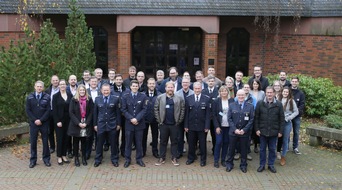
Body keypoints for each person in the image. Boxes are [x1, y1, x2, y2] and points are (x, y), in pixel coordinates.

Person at [255, 86, 285, 173]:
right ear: (265, 93)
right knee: (262, 149)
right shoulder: (260, 103)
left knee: (272, 149)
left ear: (274, 93)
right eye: (267, 92)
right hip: (262, 131)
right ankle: (262, 165)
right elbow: (256, 117)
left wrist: (280, 131)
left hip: (274, 131)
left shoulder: (278, 104)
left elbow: (282, 119)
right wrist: (257, 129)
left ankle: (271, 165)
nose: (269, 94)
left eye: (271, 92)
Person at [154, 81, 185, 166]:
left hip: (174, 124)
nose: (170, 89)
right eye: (169, 87)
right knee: (163, 141)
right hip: (163, 124)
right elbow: (156, 109)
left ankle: (174, 158)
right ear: (165, 88)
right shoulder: (160, 98)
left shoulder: (179, 98)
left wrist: (179, 120)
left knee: (174, 142)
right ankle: (161, 157)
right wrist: (159, 121)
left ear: (174, 88)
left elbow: (182, 110)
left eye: (172, 87)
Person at [225, 89, 254, 173]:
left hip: (244, 133)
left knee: (244, 150)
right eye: (239, 95)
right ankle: (229, 164)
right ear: (236, 96)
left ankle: (243, 165)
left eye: (242, 95)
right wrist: (235, 129)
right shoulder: (232, 105)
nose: (241, 97)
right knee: (231, 149)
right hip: (233, 132)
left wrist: (244, 130)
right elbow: (229, 119)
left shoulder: (250, 106)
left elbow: (251, 119)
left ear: (245, 96)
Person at [93, 84, 121, 167]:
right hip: (101, 124)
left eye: (107, 90)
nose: (106, 92)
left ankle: (114, 159)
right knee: (99, 143)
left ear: (110, 90)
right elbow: (95, 113)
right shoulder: (97, 99)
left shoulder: (115, 99)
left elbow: (118, 113)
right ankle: (98, 159)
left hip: (112, 124)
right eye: (104, 90)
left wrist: (118, 124)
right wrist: (95, 124)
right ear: (101, 91)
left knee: (113, 143)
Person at [121, 80, 148, 168]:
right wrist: (131, 119)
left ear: (138, 87)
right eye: (133, 86)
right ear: (130, 87)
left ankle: (139, 159)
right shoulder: (125, 96)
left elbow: (144, 109)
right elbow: (123, 110)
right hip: (129, 124)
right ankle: (127, 159)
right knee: (128, 143)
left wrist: (137, 118)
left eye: (136, 86)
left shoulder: (143, 96)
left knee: (139, 143)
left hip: (139, 124)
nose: (135, 87)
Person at [26, 80, 51, 168]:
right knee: (33, 142)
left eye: (41, 86)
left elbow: (48, 110)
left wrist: (41, 120)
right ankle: (33, 160)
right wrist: (35, 120)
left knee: (45, 142)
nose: (39, 88)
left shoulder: (47, 97)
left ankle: (46, 159)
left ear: (43, 88)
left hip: (44, 123)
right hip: (33, 124)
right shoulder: (29, 97)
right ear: (35, 87)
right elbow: (28, 110)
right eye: (38, 86)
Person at [184, 82, 211, 167]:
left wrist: (207, 126)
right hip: (191, 126)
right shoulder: (188, 98)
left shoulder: (206, 99)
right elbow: (186, 114)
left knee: (202, 144)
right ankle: (191, 158)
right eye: (195, 88)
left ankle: (203, 160)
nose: (197, 90)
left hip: (202, 126)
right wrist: (186, 125)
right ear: (193, 89)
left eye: (199, 88)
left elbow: (208, 114)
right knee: (191, 143)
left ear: (201, 89)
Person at [68, 85, 94, 167]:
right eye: (80, 90)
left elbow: (91, 112)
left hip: (86, 123)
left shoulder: (89, 100)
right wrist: (78, 123)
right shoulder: (73, 100)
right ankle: (76, 158)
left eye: (83, 90)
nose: (82, 91)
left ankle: (83, 158)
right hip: (76, 124)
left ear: (85, 91)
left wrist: (86, 123)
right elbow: (71, 113)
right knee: (75, 142)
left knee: (84, 142)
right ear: (78, 91)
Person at [212, 86, 234, 168]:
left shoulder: (231, 101)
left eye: (225, 91)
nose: (224, 92)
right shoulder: (216, 101)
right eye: (222, 91)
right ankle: (216, 160)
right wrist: (217, 126)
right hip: (219, 126)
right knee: (218, 142)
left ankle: (223, 160)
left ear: (228, 92)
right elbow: (214, 115)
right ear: (219, 93)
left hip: (228, 126)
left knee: (226, 143)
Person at [52, 80, 73, 165]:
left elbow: (72, 107)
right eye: (61, 84)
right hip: (59, 121)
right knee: (60, 138)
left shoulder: (70, 95)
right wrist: (57, 121)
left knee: (67, 138)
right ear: (59, 86)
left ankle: (64, 155)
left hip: (68, 120)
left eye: (64, 84)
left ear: (66, 85)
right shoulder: (55, 96)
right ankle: (59, 156)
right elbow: (54, 110)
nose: (62, 86)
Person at [278, 87, 299, 166]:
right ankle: (277, 153)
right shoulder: (278, 99)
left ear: (289, 93)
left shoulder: (291, 101)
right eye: (284, 92)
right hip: (278, 123)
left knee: (285, 139)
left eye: (287, 92)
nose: (285, 93)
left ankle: (283, 156)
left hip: (287, 123)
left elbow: (296, 111)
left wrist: (289, 118)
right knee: (277, 138)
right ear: (282, 92)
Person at [111, 74, 130, 157]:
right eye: (117, 79)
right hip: (115, 116)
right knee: (115, 135)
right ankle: (116, 151)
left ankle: (123, 150)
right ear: (115, 80)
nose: (119, 81)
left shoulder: (127, 90)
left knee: (125, 135)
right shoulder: (111, 90)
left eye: (120, 79)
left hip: (125, 116)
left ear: (122, 81)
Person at [175, 77, 194, 157]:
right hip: (180, 118)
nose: (185, 84)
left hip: (190, 119)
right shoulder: (177, 93)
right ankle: (179, 151)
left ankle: (191, 152)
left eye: (186, 82)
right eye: (183, 82)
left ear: (189, 83)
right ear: (181, 84)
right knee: (179, 137)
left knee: (191, 138)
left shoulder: (193, 93)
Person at [143, 78, 160, 158]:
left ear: (155, 84)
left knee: (155, 136)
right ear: (147, 84)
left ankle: (155, 151)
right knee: (144, 136)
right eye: (150, 84)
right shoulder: (143, 95)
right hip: (144, 119)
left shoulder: (159, 95)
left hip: (155, 119)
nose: (151, 85)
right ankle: (143, 151)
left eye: (153, 83)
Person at [202, 76, 219, 154]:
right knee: (203, 135)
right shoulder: (203, 91)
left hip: (214, 117)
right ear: (207, 82)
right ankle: (202, 150)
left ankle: (214, 149)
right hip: (205, 117)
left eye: (212, 81)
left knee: (214, 135)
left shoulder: (218, 92)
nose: (211, 82)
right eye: (209, 81)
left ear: (215, 82)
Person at [86, 76, 102, 158]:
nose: (94, 83)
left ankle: (98, 154)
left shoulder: (101, 91)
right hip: (88, 117)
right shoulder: (85, 91)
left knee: (99, 136)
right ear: (89, 82)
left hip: (99, 117)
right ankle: (87, 153)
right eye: (92, 82)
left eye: (95, 82)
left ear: (98, 83)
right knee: (89, 136)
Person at [291, 76, 306, 155]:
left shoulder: (301, 93)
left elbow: (302, 105)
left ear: (298, 83)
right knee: (286, 132)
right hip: (288, 116)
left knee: (296, 132)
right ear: (291, 82)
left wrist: (296, 113)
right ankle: (285, 147)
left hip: (296, 116)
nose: (294, 82)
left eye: (295, 81)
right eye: (293, 81)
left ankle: (295, 147)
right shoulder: (287, 91)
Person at [45, 75, 60, 154]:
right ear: (51, 82)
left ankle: (59, 146)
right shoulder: (47, 91)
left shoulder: (62, 89)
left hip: (58, 113)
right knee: (50, 131)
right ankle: (52, 146)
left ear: (59, 81)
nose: (55, 82)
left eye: (56, 80)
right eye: (53, 80)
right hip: (50, 113)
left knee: (59, 131)